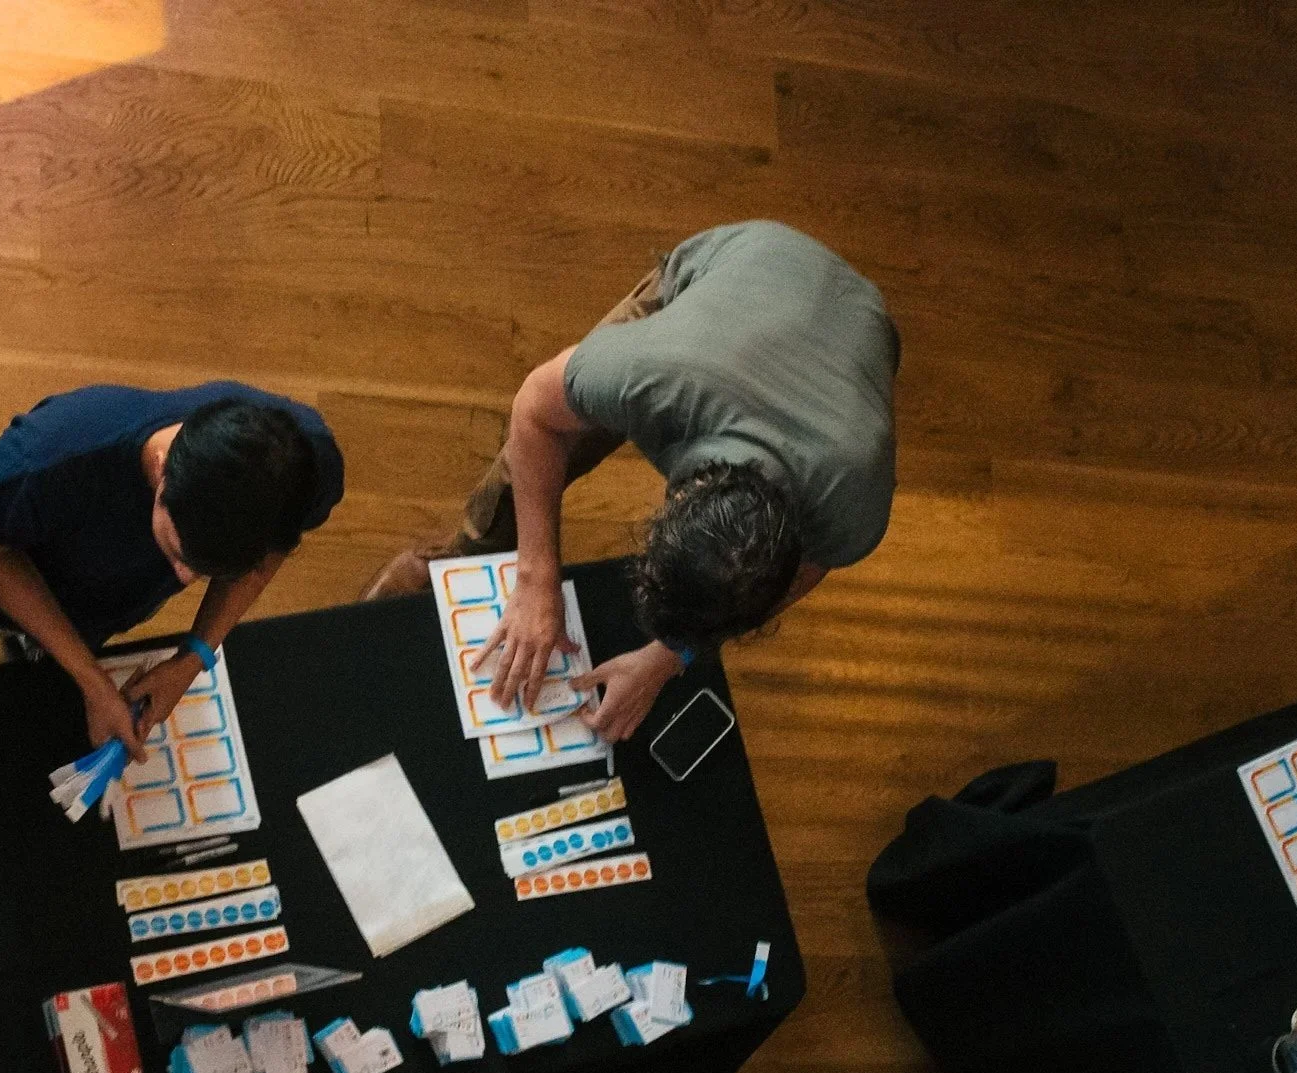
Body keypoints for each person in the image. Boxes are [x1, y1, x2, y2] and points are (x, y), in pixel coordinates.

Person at [365, 220, 900, 740]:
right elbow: (534, 411)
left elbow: (808, 568)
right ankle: (450, 561)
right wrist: (536, 575)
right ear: (679, 496)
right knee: (549, 446)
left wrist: (667, 659)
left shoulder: (853, 505)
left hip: (856, 326)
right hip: (752, 259)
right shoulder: (649, 375)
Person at [0, 382, 343, 758]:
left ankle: (41, 647)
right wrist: (91, 679)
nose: (183, 580)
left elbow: (265, 559)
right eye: (176, 553)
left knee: (44, 679)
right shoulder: (53, 454)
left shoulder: (299, 463)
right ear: (163, 471)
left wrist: (193, 659)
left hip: (103, 604)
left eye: (209, 571)